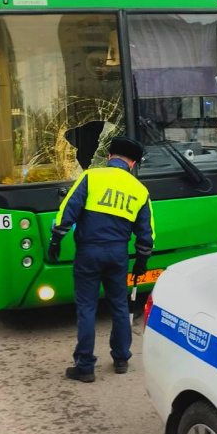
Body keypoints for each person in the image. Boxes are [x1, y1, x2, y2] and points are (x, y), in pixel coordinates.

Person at [48, 136, 154, 383]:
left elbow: (68, 210)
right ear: (133, 163)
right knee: (119, 305)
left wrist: (56, 240)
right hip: (117, 255)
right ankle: (121, 359)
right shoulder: (139, 190)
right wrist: (142, 260)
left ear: (109, 158)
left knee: (87, 307)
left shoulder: (92, 177)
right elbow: (146, 231)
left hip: (89, 252)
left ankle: (84, 366)